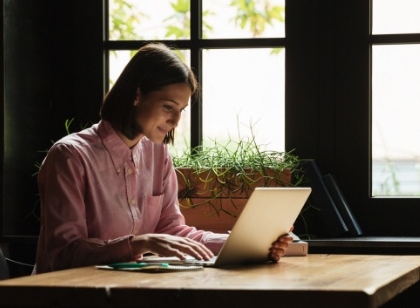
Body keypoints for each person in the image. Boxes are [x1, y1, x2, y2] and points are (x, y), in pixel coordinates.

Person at [33, 43, 293, 274]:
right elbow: (63, 255)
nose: (176, 121)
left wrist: (250, 243)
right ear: (136, 95)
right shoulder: (70, 156)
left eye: (181, 110)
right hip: (67, 296)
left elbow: (171, 232)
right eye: (168, 107)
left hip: (126, 293)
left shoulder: (157, 156)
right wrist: (141, 243)